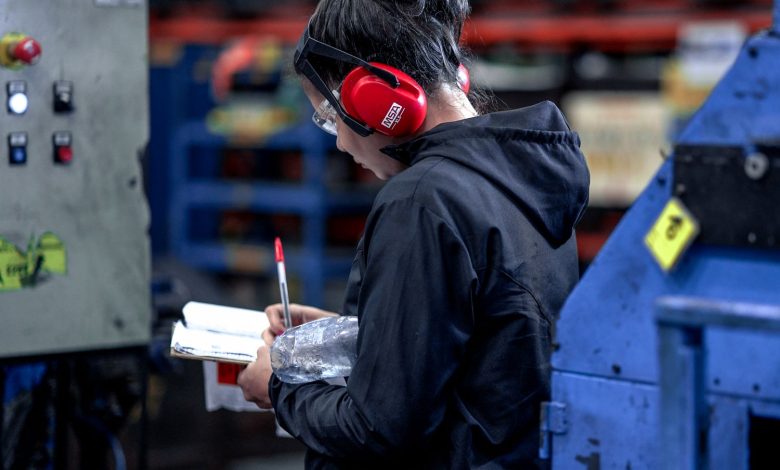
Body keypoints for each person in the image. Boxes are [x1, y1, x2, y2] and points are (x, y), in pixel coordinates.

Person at [237, 0, 590, 467]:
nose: (341, 142)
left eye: (329, 116)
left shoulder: (422, 199)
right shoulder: (527, 176)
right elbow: (486, 340)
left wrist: (279, 387)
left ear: (376, 97)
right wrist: (362, 333)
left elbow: (378, 428)